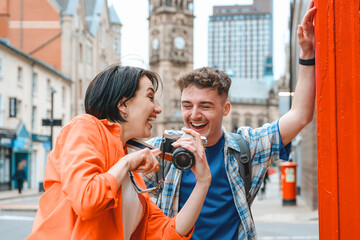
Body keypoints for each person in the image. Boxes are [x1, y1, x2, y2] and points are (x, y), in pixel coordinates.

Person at [143, 1, 316, 239]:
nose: (194, 115)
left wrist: (307, 55)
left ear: (226, 109)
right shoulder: (163, 152)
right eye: (187, 105)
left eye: (205, 106)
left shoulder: (246, 148)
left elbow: (300, 116)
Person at [27, 66, 211, 239]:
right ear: (122, 104)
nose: (158, 109)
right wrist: (127, 163)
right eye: (150, 97)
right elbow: (86, 200)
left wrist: (203, 183)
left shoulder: (133, 176)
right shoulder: (86, 127)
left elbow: (166, 233)